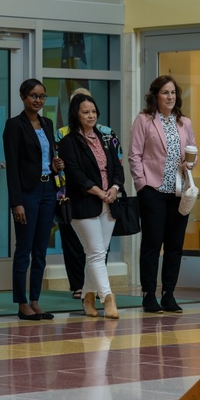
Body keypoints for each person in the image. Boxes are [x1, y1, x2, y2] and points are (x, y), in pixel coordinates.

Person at [128, 75, 197, 314]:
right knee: (152, 243)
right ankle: (149, 294)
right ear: (155, 96)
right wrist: (142, 185)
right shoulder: (144, 120)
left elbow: (193, 150)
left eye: (173, 93)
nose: (170, 97)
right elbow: (134, 155)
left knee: (175, 245)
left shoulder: (184, 122)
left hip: (179, 191)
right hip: (153, 190)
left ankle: (169, 294)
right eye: (165, 93)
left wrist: (191, 162)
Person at [54, 87, 123, 300]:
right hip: (83, 202)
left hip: (109, 203)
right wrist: (98, 192)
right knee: (95, 253)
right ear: (76, 112)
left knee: (97, 253)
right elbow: (75, 173)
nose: (91, 115)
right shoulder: (67, 139)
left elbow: (117, 167)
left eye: (93, 111)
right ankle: (107, 297)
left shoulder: (106, 135)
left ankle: (88, 297)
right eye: (85, 112)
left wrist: (114, 188)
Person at [4, 79, 64, 321]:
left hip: (48, 189)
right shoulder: (14, 125)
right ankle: (21, 302)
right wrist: (16, 202)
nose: (38, 100)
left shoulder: (47, 123)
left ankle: (36, 300)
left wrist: (56, 165)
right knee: (24, 249)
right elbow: (13, 168)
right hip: (27, 194)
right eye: (33, 95)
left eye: (42, 96)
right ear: (22, 96)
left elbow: (49, 155)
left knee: (40, 250)